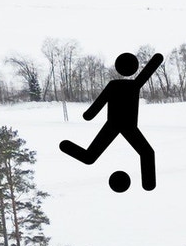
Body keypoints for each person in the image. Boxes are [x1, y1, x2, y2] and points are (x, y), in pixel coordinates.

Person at [59, 52, 163, 190]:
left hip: (113, 125)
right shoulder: (134, 85)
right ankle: (148, 184)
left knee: (90, 156)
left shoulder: (115, 85)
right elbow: (147, 72)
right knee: (147, 153)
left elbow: (98, 104)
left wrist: (89, 115)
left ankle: (66, 146)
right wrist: (157, 58)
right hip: (127, 126)